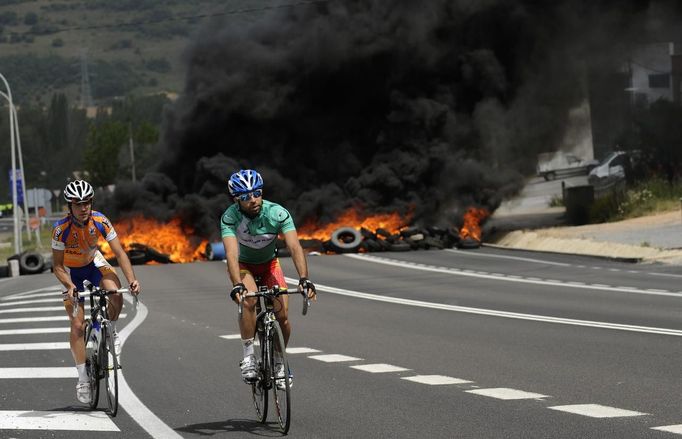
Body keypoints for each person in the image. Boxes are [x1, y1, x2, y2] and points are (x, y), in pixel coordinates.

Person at [221, 169, 316, 388]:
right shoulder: (230, 217)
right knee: (249, 300)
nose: (253, 200)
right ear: (236, 199)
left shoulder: (277, 213)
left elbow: (294, 246)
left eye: (257, 193)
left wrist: (304, 278)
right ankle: (248, 356)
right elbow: (232, 254)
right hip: (244, 266)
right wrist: (237, 284)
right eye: (245, 197)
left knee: (282, 316)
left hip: (269, 264)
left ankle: (279, 361)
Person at [51, 180, 141, 404]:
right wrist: (70, 286)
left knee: (115, 292)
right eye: (78, 204)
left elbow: (119, 253)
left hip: (94, 264)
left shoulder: (100, 221)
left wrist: (132, 280)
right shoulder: (60, 230)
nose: (84, 208)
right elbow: (57, 267)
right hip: (72, 273)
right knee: (77, 325)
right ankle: (83, 377)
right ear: (69, 206)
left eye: (87, 202)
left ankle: (111, 330)